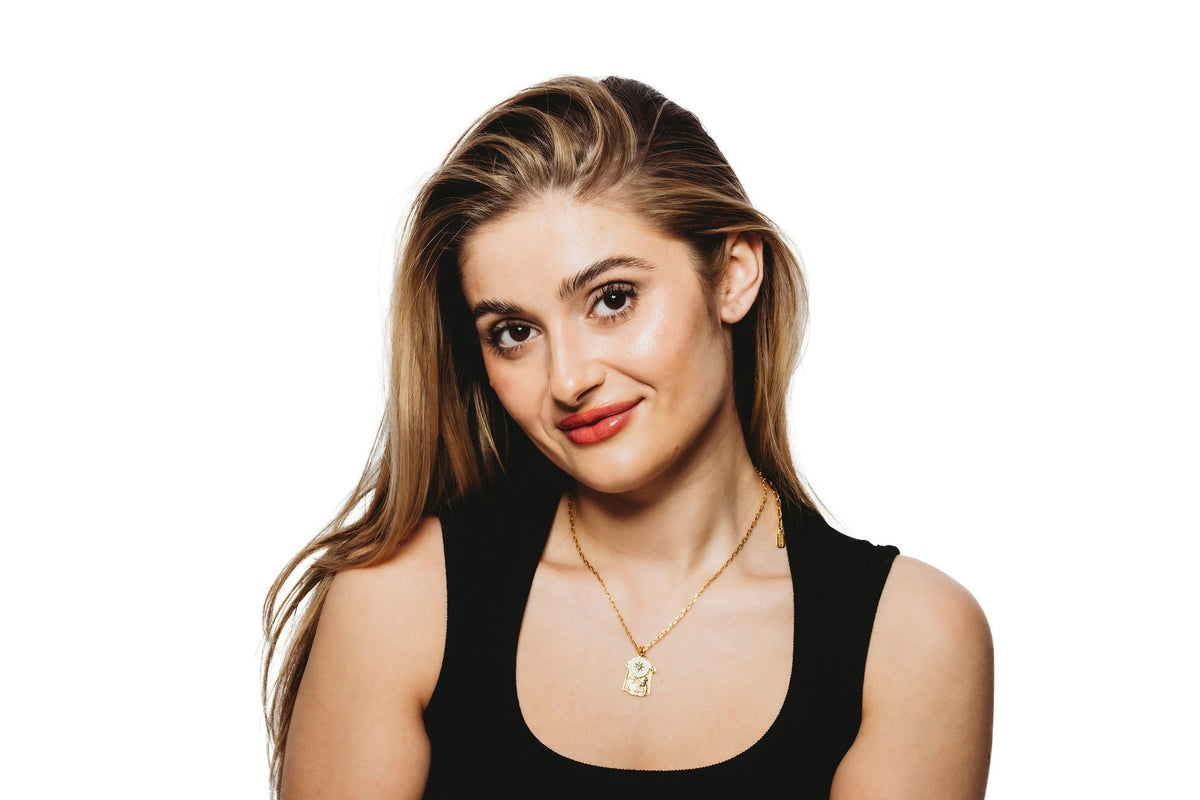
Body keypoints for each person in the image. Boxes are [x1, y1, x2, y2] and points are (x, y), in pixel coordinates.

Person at [261, 75, 994, 799]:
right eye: (513, 333)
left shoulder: (909, 640)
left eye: (612, 300)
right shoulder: (399, 602)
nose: (568, 378)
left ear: (733, 275)